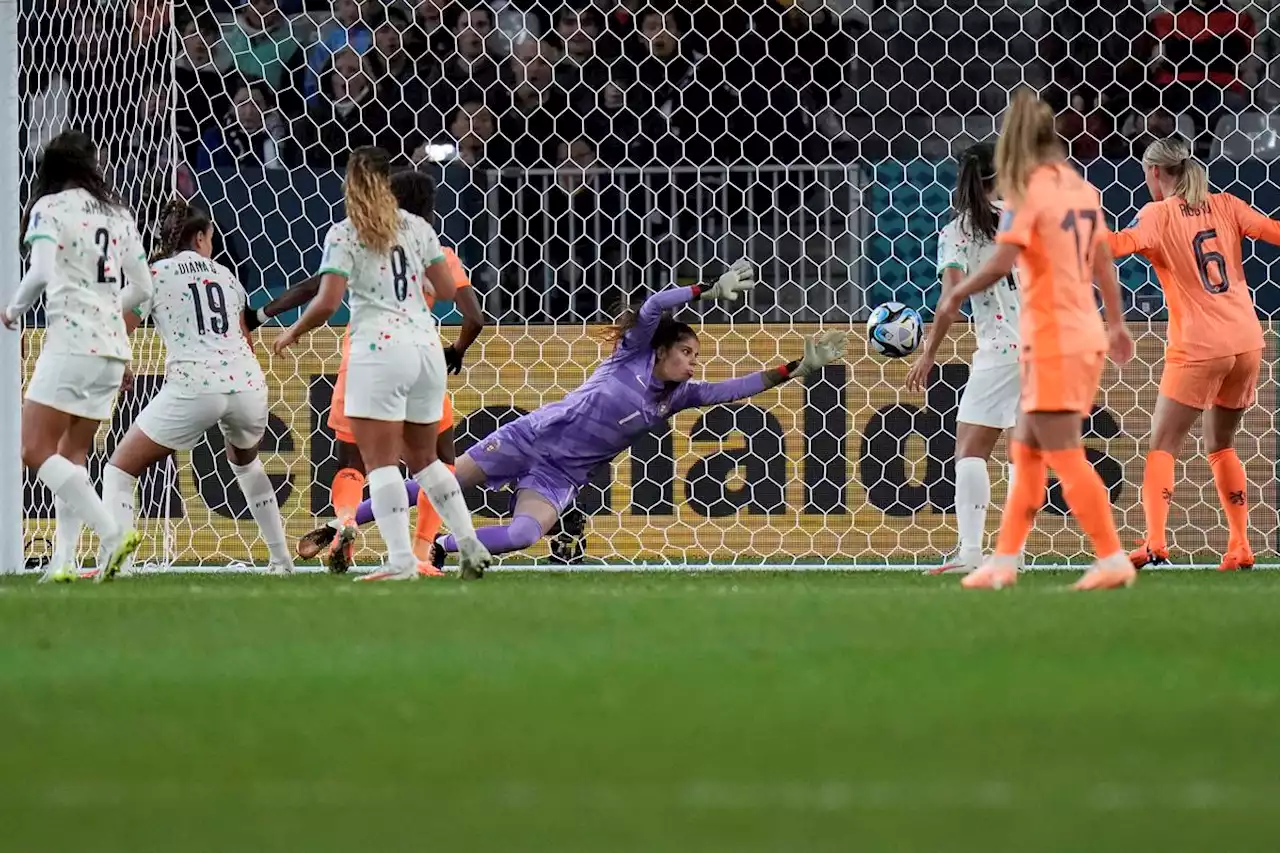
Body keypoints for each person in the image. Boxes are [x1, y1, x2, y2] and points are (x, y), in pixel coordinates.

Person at [330, 263, 849, 573]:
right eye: (687, 351)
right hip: (531, 438)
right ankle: (344, 525)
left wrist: (796, 368)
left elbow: (736, 389)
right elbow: (651, 306)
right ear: (665, 349)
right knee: (435, 483)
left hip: (559, 475)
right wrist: (705, 289)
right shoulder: (632, 354)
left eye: (695, 355)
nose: (694, 362)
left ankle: (443, 550)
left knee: (523, 535)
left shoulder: (679, 396)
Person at [935, 89, 1136, 591]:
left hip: (1048, 339)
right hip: (1076, 333)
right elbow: (1103, 261)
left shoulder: (1024, 202)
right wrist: (1116, 323)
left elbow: (1002, 263)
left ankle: (1109, 556)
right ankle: (1004, 559)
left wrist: (956, 292)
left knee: (1055, 452)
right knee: (1025, 449)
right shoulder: (1081, 192)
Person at [244, 168, 485, 575]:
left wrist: (276, 322)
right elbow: (463, 306)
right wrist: (455, 347)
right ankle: (449, 548)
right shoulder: (431, 243)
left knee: (365, 463)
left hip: (371, 357)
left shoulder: (357, 236)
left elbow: (320, 294)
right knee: (434, 462)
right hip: (425, 352)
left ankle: (355, 529)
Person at [94, 200, 294, 577]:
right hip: (248, 384)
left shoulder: (154, 273)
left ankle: (116, 565)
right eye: (211, 238)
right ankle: (282, 562)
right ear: (200, 236)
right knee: (248, 465)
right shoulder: (227, 277)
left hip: (195, 385)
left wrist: (120, 364)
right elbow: (244, 338)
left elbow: (121, 324)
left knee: (120, 470)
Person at [1107, 136, 1280, 572]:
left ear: (1153, 173)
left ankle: (1155, 543)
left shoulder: (1158, 213)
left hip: (1199, 345)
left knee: (1164, 443)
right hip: (1246, 340)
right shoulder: (1227, 204)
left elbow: (1117, 246)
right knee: (1222, 443)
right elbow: (1273, 232)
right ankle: (1240, 545)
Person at [0, 130, 152, 583]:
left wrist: (12, 310)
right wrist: (107, 306)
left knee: (33, 448)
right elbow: (143, 288)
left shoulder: (49, 208)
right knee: (71, 453)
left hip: (71, 342)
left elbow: (41, 271)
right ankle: (62, 561)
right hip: (112, 348)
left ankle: (110, 532)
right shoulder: (119, 214)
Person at [906, 142, 1023, 575]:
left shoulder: (958, 231)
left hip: (1001, 350)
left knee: (971, 449)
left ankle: (972, 552)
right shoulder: (1022, 219)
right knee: (1020, 453)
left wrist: (928, 353)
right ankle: (1012, 554)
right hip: (1043, 347)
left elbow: (950, 303)